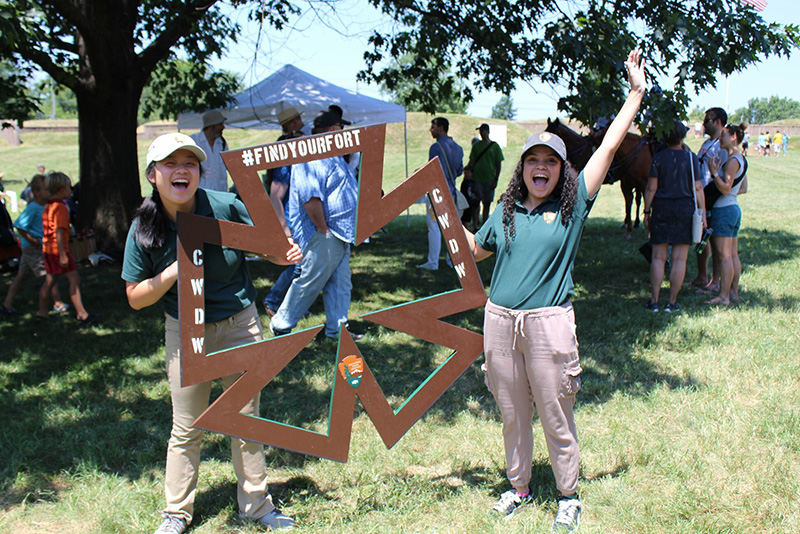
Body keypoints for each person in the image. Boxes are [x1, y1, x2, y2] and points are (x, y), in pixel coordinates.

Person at [461, 50, 647, 534]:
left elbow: (606, 148)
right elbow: (472, 252)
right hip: (499, 323)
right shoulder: (503, 214)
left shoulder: (573, 206)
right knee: (510, 411)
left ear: (562, 171)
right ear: (521, 169)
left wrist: (635, 94)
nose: (540, 168)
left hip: (547, 325)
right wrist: (441, 212)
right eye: (532, 161)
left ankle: (568, 494)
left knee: (554, 412)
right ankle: (518, 486)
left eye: (550, 162)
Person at [121, 133, 301, 534]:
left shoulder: (224, 206)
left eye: (190, 162)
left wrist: (282, 253)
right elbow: (135, 297)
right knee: (187, 426)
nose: (181, 169)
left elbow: (268, 249)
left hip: (239, 325)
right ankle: (176, 514)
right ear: (153, 175)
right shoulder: (144, 227)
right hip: (186, 334)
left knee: (245, 420)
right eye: (171, 163)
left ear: (201, 172)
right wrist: (172, 272)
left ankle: (256, 505)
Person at [268, 109, 361, 341]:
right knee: (310, 281)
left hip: (339, 233)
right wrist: (324, 229)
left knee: (340, 284)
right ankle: (280, 324)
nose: (343, 133)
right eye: (341, 128)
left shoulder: (331, 155)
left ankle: (336, 331)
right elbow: (311, 197)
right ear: (333, 130)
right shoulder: (313, 155)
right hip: (323, 233)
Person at [642, 121, 705, 313]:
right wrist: (703, 214)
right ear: (682, 137)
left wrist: (646, 211)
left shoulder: (658, 158)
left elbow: (651, 187)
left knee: (658, 258)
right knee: (680, 259)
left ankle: (654, 301)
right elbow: (698, 187)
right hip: (684, 210)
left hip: (662, 209)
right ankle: (672, 302)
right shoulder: (690, 157)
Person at [1, 175, 66, 315]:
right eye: (47, 190)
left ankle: (7, 304)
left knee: (21, 276)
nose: (50, 192)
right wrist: (32, 240)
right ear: (37, 192)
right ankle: (57, 303)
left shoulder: (46, 206)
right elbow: (19, 225)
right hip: (33, 249)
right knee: (50, 275)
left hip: (33, 247)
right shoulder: (34, 207)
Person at [39, 172, 98, 323]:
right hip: (58, 250)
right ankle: (82, 315)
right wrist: (63, 255)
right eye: (68, 187)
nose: (70, 190)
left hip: (48, 249)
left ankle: (42, 312)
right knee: (74, 279)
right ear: (60, 190)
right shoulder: (60, 207)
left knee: (50, 280)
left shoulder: (48, 206)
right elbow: (59, 232)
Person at [705, 124, 748, 306]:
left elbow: (725, 188)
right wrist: (730, 194)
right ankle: (733, 292)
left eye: (724, 135)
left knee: (724, 256)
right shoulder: (742, 159)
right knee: (732, 254)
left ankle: (724, 297)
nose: (720, 138)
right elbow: (743, 188)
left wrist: (714, 173)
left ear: (733, 137)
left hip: (724, 210)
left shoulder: (732, 161)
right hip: (734, 209)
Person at [418, 117, 464, 271]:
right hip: (451, 192)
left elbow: (432, 171)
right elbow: (459, 171)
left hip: (436, 192)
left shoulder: (436, 147)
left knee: (434, 227)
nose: (431, 130)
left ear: (441, 128)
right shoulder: (458, 148)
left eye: (433, 126)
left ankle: (433, 262)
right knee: (451, 229)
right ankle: (452, 261)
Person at [691, 107, 728, 292]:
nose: (704, 124)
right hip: (701, 197)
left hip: (714, 198)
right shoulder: (706, 143)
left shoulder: (723, 147)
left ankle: (715, 282)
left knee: (715, 242)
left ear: (718, 122)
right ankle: (701, 275)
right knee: (701, 238)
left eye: (708, 120)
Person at [465, 123, 504, 230]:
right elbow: (472, 161)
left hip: (489, 179)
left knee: (487, 203)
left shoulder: (495, 147)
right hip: (477, 179)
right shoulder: (476, 146)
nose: (481, 133)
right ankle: (475, 225)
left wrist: (496, 179)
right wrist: (467, 170)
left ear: (487, 131)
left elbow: (498, 164)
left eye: (483, 131)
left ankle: (485, 225)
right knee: (475, 203)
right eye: (480, 131)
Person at [190, 109, 229, 192]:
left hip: (220, 194)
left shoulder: (222, 143)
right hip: (200, 194)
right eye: (220, 124)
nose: (223, 127)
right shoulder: (194, 142)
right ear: (211, 126)